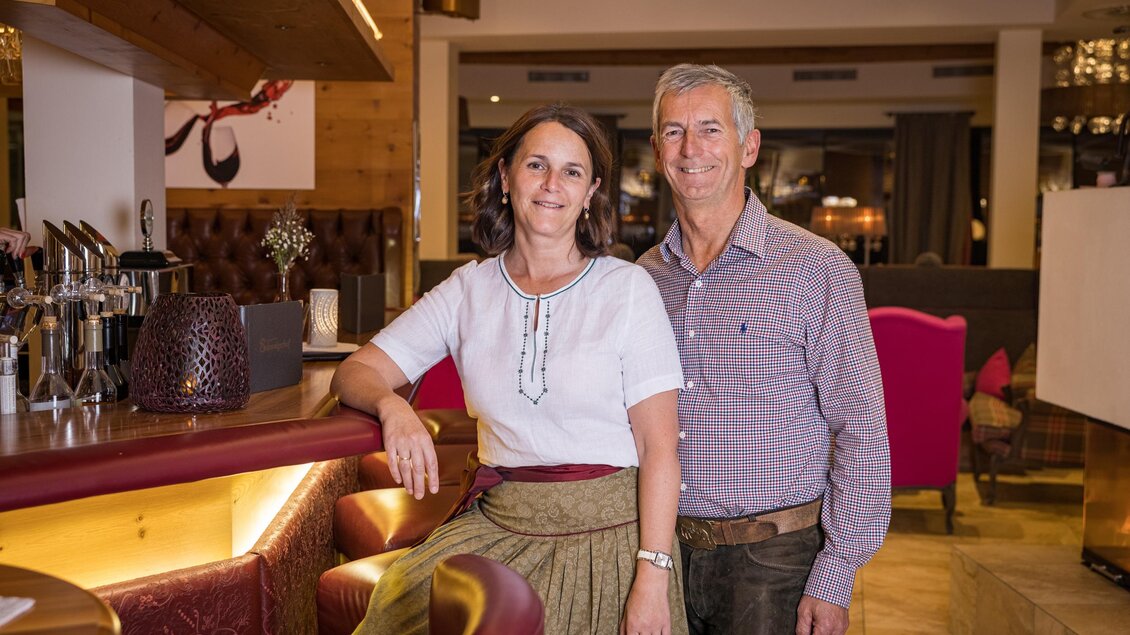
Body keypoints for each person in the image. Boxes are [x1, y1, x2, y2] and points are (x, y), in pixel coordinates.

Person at [332, 103, 689, 635]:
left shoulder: (626, 289)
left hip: (610, 538)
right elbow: (355, 371)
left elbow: (661, 448)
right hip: (500, 524)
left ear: (590, 192)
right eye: (536, 165)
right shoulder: (467, 290)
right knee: (395, 605)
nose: (551, 185)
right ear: (505, 176)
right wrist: (392, 408)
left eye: (572, 172)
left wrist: (653, 576)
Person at [637, 64, 891, 635]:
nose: (690, 147)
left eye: (709, 129)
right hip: (662, 553)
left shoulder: (817, 269)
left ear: (749, 146)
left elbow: (861, 428)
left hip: (775, 563)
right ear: (657, 151)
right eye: (673, 132)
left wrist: (837, 573)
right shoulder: (641, 279)